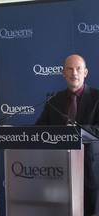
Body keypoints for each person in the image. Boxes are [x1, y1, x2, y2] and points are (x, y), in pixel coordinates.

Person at [35, 54, 99, 216]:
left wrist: (76, 130)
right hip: (57, 172)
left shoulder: (97, 98)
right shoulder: (54, 100)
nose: (74, 73)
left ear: (85, 72)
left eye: (78, 69)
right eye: (69, 69)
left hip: (90, 173)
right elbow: (40, 128)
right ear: (63, 73)